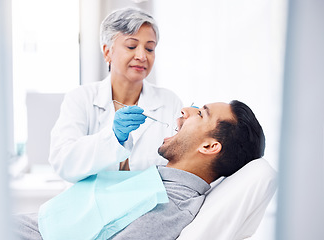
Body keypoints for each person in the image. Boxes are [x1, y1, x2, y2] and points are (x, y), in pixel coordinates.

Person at [14, 100, 265, 240]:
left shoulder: (169, 206)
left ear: (210, 146)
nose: (184, 110)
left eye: (200, 113)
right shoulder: (159, 182)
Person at [49, 7, 182, 183]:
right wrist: (113, 137)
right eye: (131, 46)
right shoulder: (81, 98)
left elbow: (182, 165)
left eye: (149, 49)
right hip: (92, 207)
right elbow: (63, 162)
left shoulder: (169, 102)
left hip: (149, 207)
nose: (142, 56)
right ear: (107, 52)